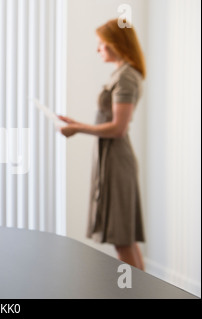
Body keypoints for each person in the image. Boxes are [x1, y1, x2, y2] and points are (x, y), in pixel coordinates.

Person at [58, 19, 146, 270]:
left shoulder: (126, 77)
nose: (98, 49)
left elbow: (118, 128)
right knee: (124, 238)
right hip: (112, 158)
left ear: (117, 43)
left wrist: (77, 129)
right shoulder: (122, 74)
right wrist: (77, 123)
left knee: (122, 238)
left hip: (117, 160)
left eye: (102, 43)